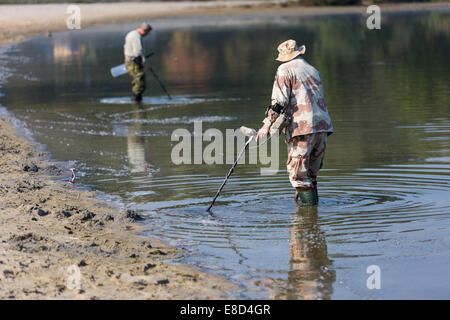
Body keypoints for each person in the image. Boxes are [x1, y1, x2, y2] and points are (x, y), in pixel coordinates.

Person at [256, 40, 333, 205]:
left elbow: (279, 102)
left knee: (298, 176)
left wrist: (266, 125)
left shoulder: (284, 69)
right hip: (322, 126)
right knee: (310, 175)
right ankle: (314, 220)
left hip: (302, 128)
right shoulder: (312, 69)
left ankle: (307, 220)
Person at [123, 22, 152, 101]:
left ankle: (136, 103)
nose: (146, 35)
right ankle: (136, 100)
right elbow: (138, 52)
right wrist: (144, 64)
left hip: (128, 60)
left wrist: (127, 59)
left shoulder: (130, 33)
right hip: (134, 62)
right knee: (140, 81)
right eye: (147, 33)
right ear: (144, 30)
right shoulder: (137, 36)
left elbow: (125, 48)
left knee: (135, 81)